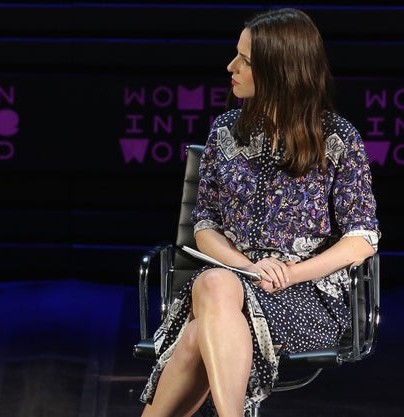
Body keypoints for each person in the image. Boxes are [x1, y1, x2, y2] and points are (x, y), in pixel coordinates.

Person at [139, 8, 380, 417]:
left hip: (304, 296)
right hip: (229, 281)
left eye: (245, 61)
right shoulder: (224, 130)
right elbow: (205, 226)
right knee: (217, 285)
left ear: (280, 71)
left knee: (200, 333)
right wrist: (251, 267)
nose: (230, 67)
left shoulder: (338, 139)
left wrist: (286, 273)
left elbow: (363, 238)